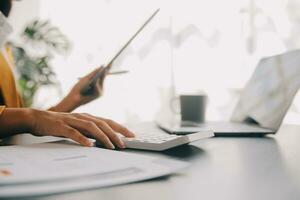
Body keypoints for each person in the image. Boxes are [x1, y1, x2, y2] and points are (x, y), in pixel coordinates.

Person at [0, 0, 135, 149]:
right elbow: (27, 120)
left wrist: (73, 99)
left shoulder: (4, 43)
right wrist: (31, 118)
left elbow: (16, 129)